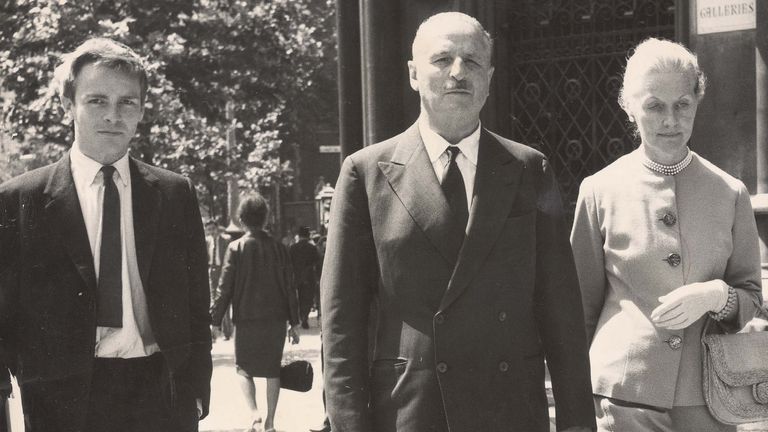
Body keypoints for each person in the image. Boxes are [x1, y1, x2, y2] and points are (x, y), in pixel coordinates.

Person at [321, 12, 595, 432]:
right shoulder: (366, 173)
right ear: (413, 74)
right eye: (442, 59)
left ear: (489, 75)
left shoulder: (528, 168)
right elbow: (342, 324)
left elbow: (561, 311)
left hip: (509, 412)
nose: (457, 72)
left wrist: (577, 423)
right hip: (410, 411)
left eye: (471, 61)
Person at [0, 38, 212, 431]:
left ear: (141, 111)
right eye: (97, 100)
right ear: (69, 106)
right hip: (60, 400)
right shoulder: (19, 199)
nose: (113, 115)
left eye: (127, 102)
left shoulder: (173, 193)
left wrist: (197, 384)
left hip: (159, 395)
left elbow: (196, 298)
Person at [570, 38, 763, 432]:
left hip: (710, 395)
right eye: (654, 106)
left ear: (698, 101)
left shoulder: (730, 193)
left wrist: (718, 296)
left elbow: (751, 298)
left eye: (682, 105)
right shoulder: (598, 189)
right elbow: (579, 309)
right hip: (624, 397)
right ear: (628, 106)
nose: (670, 120)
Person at [210, 193, 300, 432]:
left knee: (243, 369)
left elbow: (224, 287)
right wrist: (295, 322)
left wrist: (216, 320)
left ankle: (254, 415)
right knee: (273, 370)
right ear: (265, 218)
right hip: (276, 318)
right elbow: (290, 286)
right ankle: (271, 422)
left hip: (246, 318)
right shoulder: (279, 248)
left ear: (241, 219)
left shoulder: (235, 248)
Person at [205, 219, 232, 340]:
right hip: (212, 272)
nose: (212, 232)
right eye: (209, 229)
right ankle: (214, 332)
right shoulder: (207, 241)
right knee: (213, 302)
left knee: (223, 299)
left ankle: (227, 332)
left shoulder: (226, 240)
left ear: (217, 228)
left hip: (223, 271)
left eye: (213, 229)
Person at [290, 226, 320, 329]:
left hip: (296, 276)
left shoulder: (293, 248)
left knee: (298, 298)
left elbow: (288, 263)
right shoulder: (312, 248)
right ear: (307, 236)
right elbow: (317, 262)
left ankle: (297, 317)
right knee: (308, 298)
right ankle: (304, 317)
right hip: (309, 276)